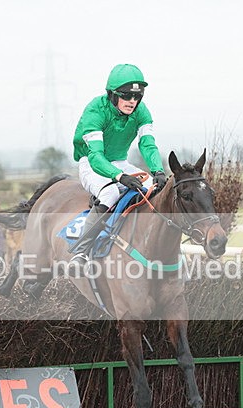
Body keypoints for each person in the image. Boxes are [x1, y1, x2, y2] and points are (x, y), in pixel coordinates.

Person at [68, 63, 168, 270]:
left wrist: (158, 170)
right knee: (110, 193)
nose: (132, 102)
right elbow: (96, 156)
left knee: (154, 188)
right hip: (91, 163)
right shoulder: (96, 110)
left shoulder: (141, 111)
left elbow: (147, 144)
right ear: (112, 94)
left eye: (137, 97)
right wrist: (120, 177)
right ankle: (81, 252)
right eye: (126, 96)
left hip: (121, 163)